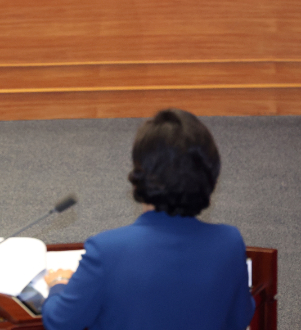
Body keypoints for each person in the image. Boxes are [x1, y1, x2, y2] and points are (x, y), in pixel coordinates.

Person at [41, 108, 255, 330]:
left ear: (139, 175)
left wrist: (58, 285)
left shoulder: (107, 251)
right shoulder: (229, 243)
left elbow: (60, 321)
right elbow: (239, 319)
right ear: (211, 175)